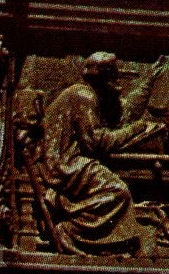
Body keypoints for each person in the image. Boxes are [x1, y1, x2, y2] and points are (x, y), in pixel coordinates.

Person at [40, 52, 157, 255]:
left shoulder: (82, 93)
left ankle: (105, 242)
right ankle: (70, 230)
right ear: (105, 78)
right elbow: (96, 142)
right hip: (64, 165)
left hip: (65, 160)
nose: (118, 85)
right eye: (114, 78)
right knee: (117, 191)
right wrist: (136, 129)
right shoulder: (84, 96)